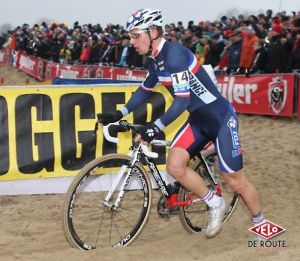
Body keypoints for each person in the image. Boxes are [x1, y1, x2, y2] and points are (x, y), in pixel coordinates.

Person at [98, 8, 264, 239]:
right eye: (131, 36)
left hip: (220, 119)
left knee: (235, 181)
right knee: (174, 166)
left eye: (136, 35)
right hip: (197, 120)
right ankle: (215, 203)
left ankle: (262, 225)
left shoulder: (174, 55)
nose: (132, 41)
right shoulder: (155, 61)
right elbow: (145, 91)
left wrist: (156, 127)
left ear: (153, 32)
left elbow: (182, 99)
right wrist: (120, 113)